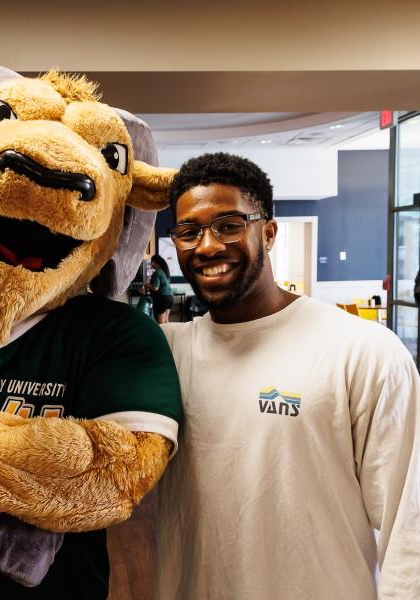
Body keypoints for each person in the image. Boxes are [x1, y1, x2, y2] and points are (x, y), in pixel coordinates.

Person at [156, 152, 420, 599]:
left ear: (269, 232)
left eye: (229, 224)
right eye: (189, 231)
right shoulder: (166, 353)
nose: (208, 246)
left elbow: (408, 523)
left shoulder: (361, 351)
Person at [143, 254, 174, 324]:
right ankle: (168, 335)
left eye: (151, 262)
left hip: (163, 299)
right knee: (166, 321)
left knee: (161, 324)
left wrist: (146, 284)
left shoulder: (157, 272)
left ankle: (163, 335)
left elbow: (155, 288)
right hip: (170, 298)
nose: (151, 264)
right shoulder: (165, 271)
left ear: (154, 262)